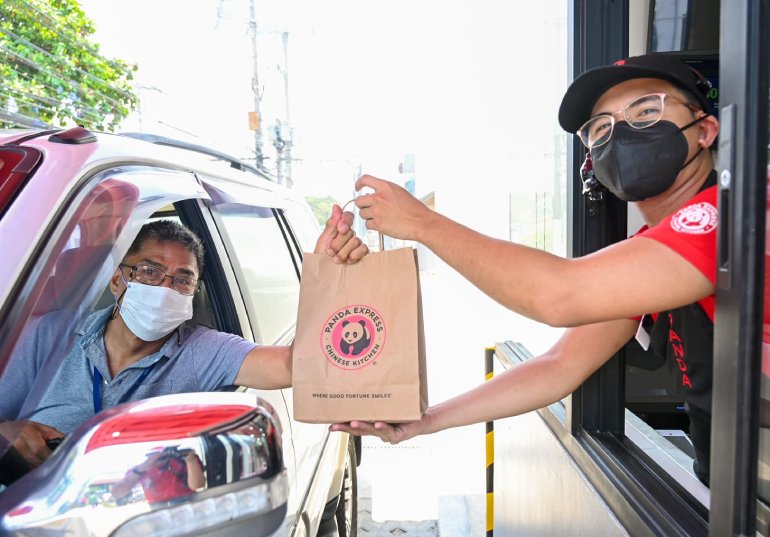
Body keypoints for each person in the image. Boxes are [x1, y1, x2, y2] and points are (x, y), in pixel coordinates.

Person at [332, 53, 721, 485]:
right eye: (601, 128)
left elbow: (558, 295)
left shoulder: (723, 216)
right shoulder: (653, 249)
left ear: (704, 130)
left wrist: (423, 223)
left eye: (647, 111)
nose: (622, 133)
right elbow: (559, 363)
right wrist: (427, 420)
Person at [0, 205, 368, 468]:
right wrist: (9, 433)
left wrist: (325, 273)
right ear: (117, 280)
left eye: (182, 278)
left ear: (193, 293)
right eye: (149, 271)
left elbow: (293, 364)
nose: (165, 287)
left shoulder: (202, 349)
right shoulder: (49, 336)